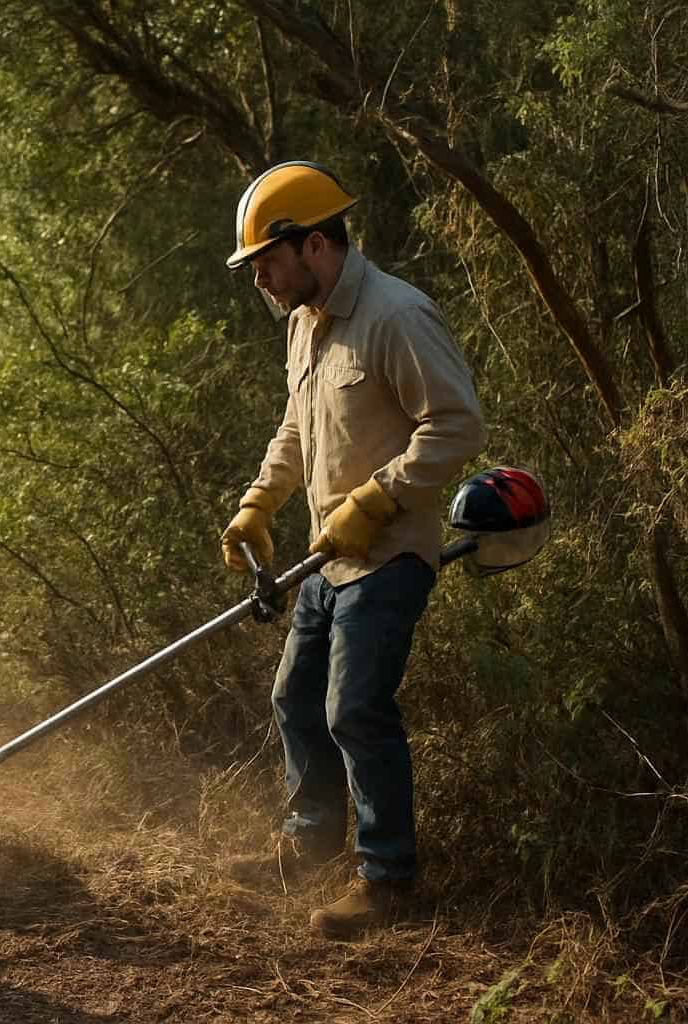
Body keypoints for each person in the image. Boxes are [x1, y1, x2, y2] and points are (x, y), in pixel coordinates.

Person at [218, 161, 486, 940]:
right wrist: (258, 504)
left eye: (266, 261)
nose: (261, 279)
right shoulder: (305, 322)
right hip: (324, 556)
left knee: (354, 709)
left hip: (390, 553)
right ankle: (309, 845)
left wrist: (378, 498)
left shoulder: (397, 316)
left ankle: (386, 879)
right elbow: (297, 428)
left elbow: (457, 426)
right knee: (295, 697)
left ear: (314, 244)